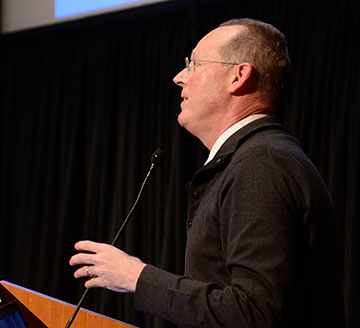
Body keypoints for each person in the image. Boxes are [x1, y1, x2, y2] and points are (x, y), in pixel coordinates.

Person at [70, 18, 337, 327]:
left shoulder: (261, 164)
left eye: (193, 64)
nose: (179, 77)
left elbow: (256, 313)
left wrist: (138, 278)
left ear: (238, 76)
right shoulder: (253, 159)